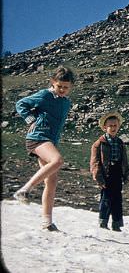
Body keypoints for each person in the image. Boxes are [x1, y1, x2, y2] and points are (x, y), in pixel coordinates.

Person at [13, 65, 76, 231]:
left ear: (71, 87)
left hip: (50, 141)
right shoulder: (45, 95)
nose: (62, 90)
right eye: (59, 86)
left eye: (66, 87)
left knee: (52, 181)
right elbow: (21, 104)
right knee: (57, 160)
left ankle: (47, 222)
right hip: (38, 137)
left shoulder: (66, 102)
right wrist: (31, 120)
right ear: (52, 82)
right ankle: (24, 190)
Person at [90, 111, 129, 231]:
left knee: (117, 198)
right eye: (110, 126)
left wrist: (126, 173)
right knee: (106, 198)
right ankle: (103, 221)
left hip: (117, 172)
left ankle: (116, 223)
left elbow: (124, 159)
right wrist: (98, 177)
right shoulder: (99, 144)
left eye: (115, 125)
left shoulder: (120, 143)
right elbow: (95, 162)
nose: (113, 128)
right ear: (105, 127)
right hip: (106, 173)